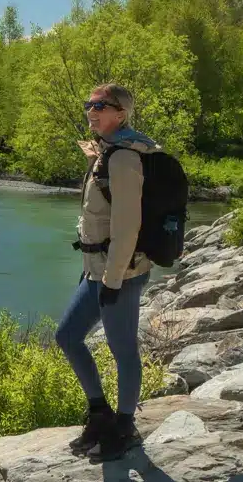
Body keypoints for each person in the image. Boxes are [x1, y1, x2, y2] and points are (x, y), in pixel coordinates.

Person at [55, 82, 160, 461]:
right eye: (89, 104)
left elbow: (127, 228)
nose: (91, 111)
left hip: (122, 272)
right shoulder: (108, 153)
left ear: (122, 113)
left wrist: (113, 280)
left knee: (123, 349)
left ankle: (125, 427)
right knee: (68, 336)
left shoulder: (124, 158)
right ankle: (100, 415)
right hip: (97, 269)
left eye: (101, 106)